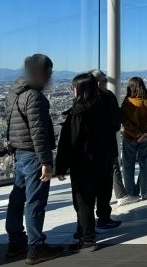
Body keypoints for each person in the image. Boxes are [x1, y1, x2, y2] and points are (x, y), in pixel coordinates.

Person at [4, 54, 64, 264]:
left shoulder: (14, 93)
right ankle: (36, 247)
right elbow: (38, 133)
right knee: (35, 202)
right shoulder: (34, 96)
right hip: (33, 155)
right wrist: (47, 162)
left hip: (19, 153)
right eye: (50, 72)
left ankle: (15, 242)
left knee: (17, 198)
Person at [55, 73, 115, 253]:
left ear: (80, 89)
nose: (73, 90)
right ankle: (82, 233)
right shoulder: (103, 106)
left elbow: (69, 142)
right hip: (102, 161)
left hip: (83, 164)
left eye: (75, 87)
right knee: (91, 199)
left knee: (83, 203)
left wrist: (61, 166)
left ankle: (88, 239)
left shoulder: (79, 112)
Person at [88, 70, 125, 230]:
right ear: (99, 83)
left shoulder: (83, 98)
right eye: (104, 81)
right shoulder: (108, 97)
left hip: (89, 150)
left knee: (92, 186)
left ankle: (87, 224)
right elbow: (117, 120)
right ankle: (103, 217)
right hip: (107, 146)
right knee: (105, 184)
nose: (105, 83)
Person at [121, 77, 147, 200]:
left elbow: (125, 121)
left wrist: (137, 134)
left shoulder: (127, 102)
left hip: (130, 137)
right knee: (145, 164)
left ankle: (131, 193)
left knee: (128, 165)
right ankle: (145, 191)